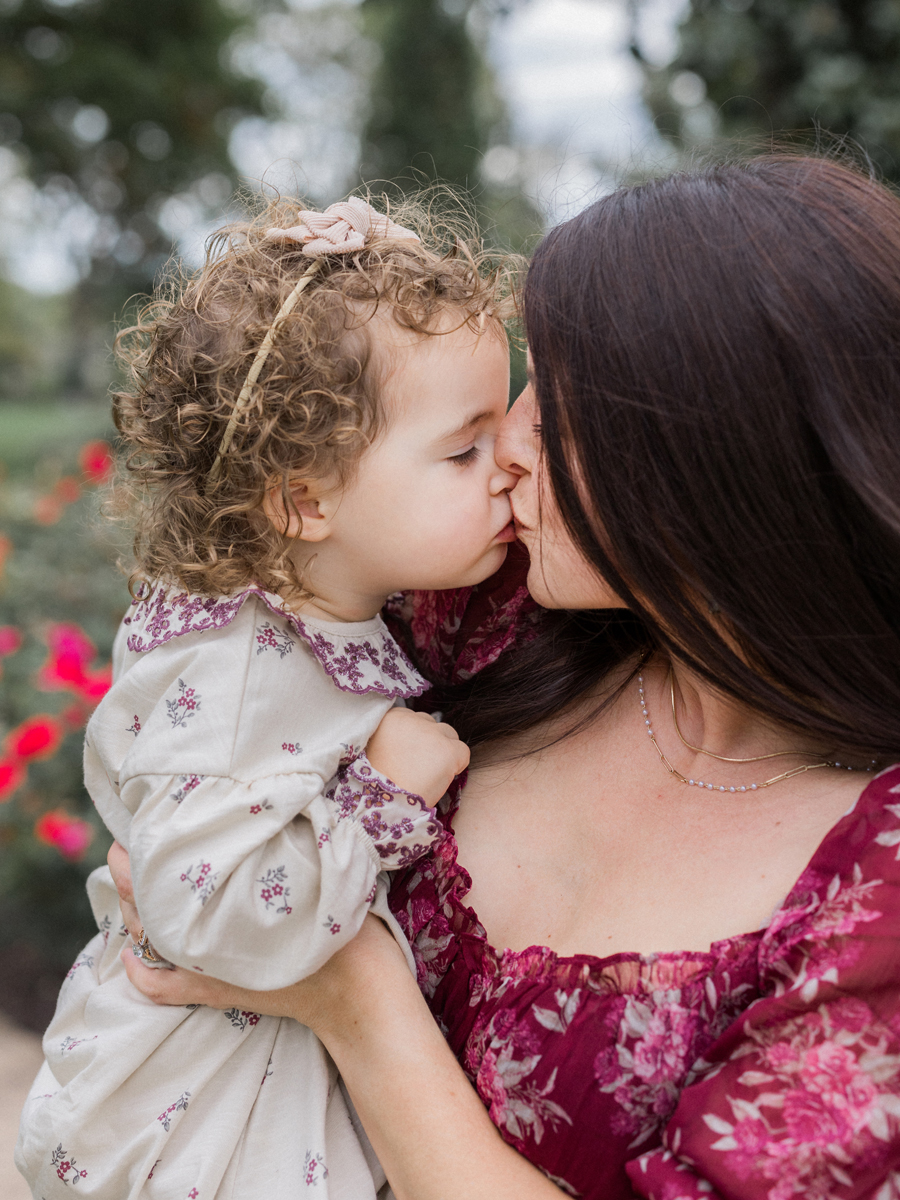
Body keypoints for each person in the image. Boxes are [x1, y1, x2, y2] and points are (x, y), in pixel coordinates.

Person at [111, 154, 900, 1199]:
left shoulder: (873, 902)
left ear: (720, 458)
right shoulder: (494, 615)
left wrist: (352, 998)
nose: (512, 445)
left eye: (564, 402)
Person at [16, 195, 520, 1200]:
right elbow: (207, 910)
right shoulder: (242, 671)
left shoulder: (321, 608)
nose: (508, 465)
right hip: (204, 1120)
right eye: (465, 449)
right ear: (305, 499)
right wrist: (382, 797)